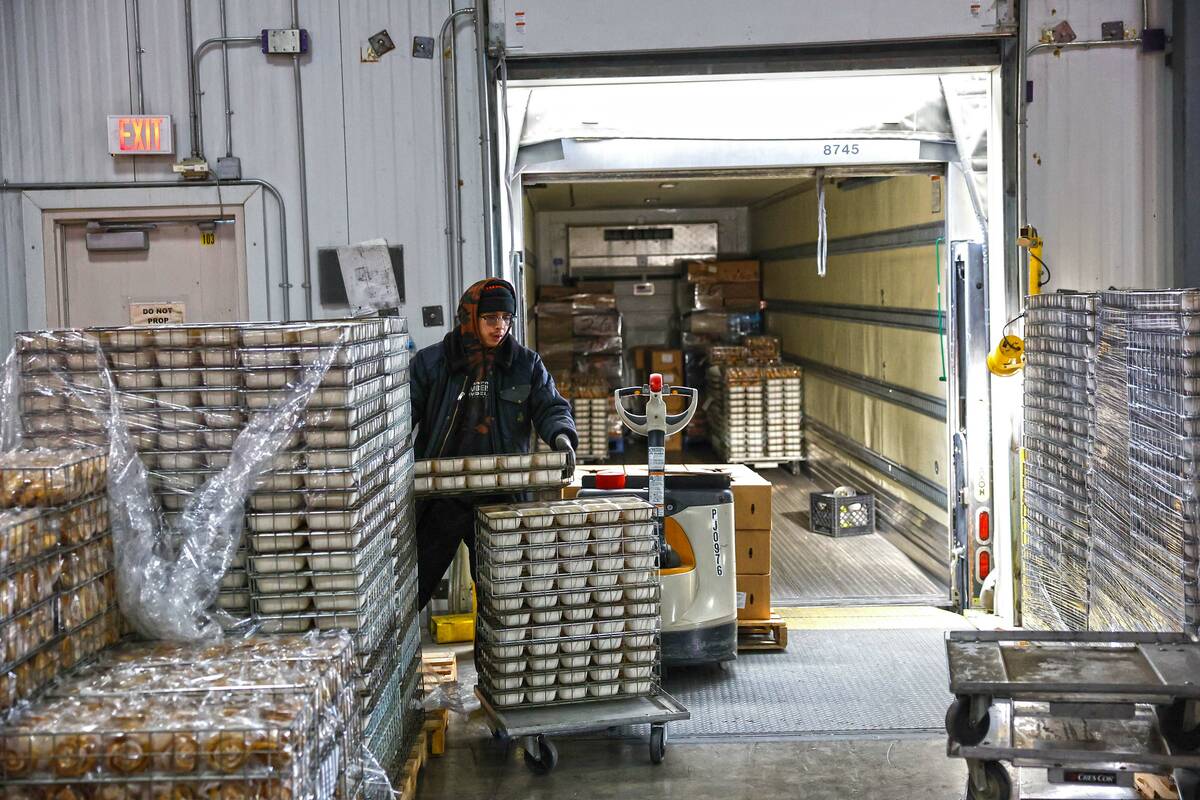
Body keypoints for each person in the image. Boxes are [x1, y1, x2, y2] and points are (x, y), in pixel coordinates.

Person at [411, 277, 577, 609]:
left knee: (503, 596)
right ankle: (398, 656)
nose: (499, 327)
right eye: (490, 318)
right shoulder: (432, 364)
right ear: (469, 317)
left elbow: (551, 407)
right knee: (412, 589)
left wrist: (561, 436)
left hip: (501, 498)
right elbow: (400, 419)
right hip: (442, 495)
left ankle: (493, 659)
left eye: (506, 318)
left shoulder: (525, 365)